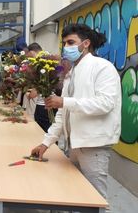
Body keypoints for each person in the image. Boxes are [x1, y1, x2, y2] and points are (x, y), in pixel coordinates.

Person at [31, 23, 121, 200]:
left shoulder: (102, 67)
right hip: (74, 144)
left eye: (71, 42)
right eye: (64, 43)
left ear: (86, 43)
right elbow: (62, 113)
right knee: (75, 195)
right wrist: (46, 143)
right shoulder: (72, 73)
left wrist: (64, 101)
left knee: (95, 199)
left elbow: (105, 103)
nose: (66, 48)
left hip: (93, 145)